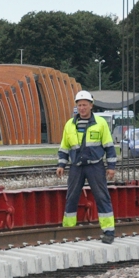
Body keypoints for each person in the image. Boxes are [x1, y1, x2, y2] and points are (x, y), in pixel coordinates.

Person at [56, 90, 118, 243]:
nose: (82, 108)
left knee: (102, 196)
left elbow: (109, 147)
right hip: (76, 166)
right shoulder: (70, 125)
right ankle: (68, 229)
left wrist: (111, 167)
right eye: (79, 105)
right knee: (71, 197)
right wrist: (61, 164)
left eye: (84, 105)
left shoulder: (101, 123)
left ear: (91, 105)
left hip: (95, 166)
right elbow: (64, 147)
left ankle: (109, 231)